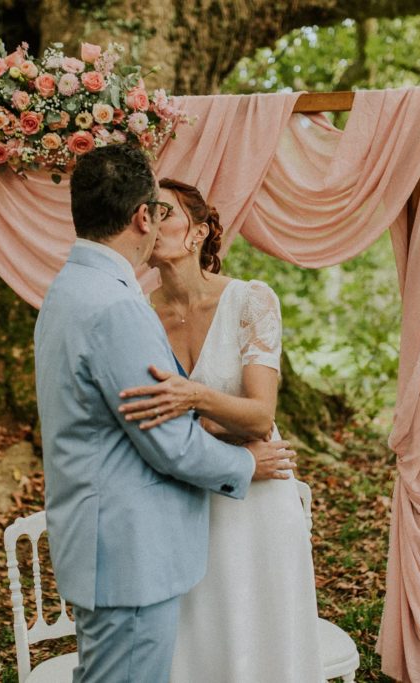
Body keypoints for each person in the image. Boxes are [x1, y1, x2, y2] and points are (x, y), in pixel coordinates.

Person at [34, 146, 297, 683]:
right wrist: (249, 465)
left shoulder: (67, 291)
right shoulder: (119, 308)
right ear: (142, 217)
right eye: (158, 209)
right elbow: (169, 442)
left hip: (110, 540)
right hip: (129, 552)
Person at [118, 178, 324, 682]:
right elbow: (144, 421)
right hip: (184, 496)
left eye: (164, 213)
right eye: (144, 214)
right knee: (197, 644)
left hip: (257, 505)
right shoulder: (138, 314)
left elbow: (259, 415)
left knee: (263, 645)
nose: (151, 223)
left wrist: (193, 401)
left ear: (199, 232)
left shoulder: (251, 301)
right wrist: (214, 424)